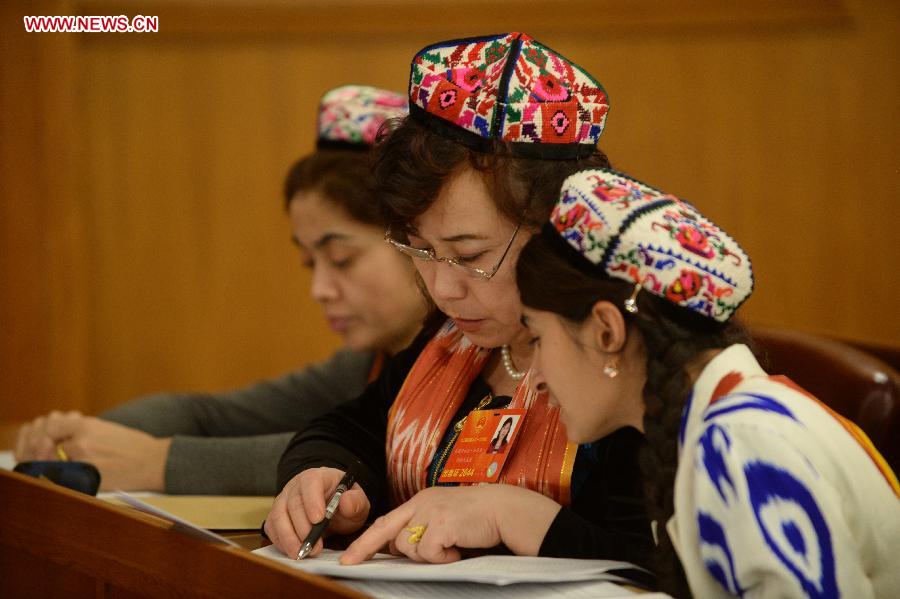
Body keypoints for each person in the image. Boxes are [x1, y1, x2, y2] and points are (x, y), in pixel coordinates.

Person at [265, 33, 653, 571]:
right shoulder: (454, 339)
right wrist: (323, 476)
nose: (445, 289)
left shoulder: (626, 361)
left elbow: (670, 566)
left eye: (470, 254)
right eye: (421, 250)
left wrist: (515, 516)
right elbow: (352, 429)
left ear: (558, 234)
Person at [14, 85, 429, 496]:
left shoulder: (469, 356)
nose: (319, 290)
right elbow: (208, 415)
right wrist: (77, 436)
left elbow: (383, 454)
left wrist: (154, 462)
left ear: (418, 243)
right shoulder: (365, 364)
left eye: (341, 259)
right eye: (309, 264)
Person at [515, 167, 900, 597]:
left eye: (536, 338)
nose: (537, 378)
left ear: (606, 330)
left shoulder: (739, 442)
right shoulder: (720, 426)